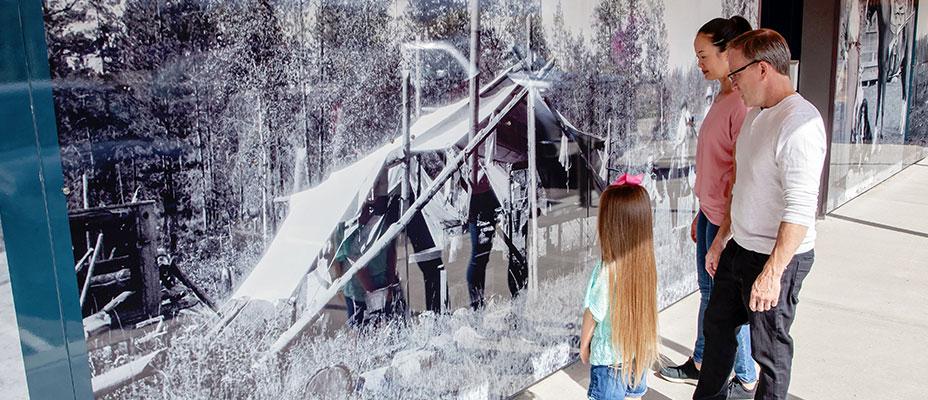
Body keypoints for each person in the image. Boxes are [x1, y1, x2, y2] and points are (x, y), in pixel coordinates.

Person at [694, 29, 826, 400]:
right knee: (717, 330)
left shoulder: (799, 124)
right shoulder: (756, 116)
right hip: (740, 247)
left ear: (763, 69)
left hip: (776, 258)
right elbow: (742, 188)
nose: (732, 83)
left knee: (769, 351)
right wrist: (721, 240)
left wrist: (772, 274)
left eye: (736, 73)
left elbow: (800, 210)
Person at [659, 16, 758, 399]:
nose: (698, 62)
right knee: (708, 294)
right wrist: (702, 212)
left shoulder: (742, 104)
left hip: (727, 223)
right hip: (711, 214)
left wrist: (723, 230)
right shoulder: (720, 96)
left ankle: (745, 375)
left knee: (726, 305)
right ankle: (701, 361)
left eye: (703, 55)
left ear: (727, 51)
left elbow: (739, 173)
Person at [579, 174, 659, 400]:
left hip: (609, 364)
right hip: (638, 354)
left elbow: (593, 313)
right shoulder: (646, 266)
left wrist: (584, 346)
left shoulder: (606, 271)